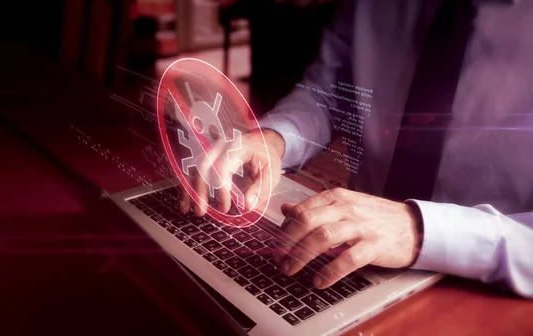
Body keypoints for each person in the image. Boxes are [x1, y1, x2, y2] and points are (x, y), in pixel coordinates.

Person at [179, 0, 533, 298]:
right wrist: (274, 139)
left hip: (479, 294)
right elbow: (331, 91)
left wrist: (418, 230)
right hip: (349, 253)